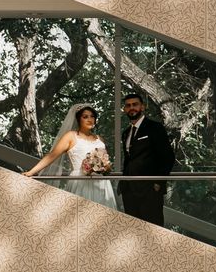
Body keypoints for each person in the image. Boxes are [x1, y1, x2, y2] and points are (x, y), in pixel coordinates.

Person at [22, 103, 117, 211]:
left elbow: (107, 165)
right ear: (78, 120)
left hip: (102, 184)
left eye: (92, 116)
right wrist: (31, 172)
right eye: (85, 117)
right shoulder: (70, 136)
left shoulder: (99, 139)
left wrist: (106, 167)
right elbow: (51, 156)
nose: (90, 119)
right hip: (80, 181)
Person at [119, 91, 175, 226]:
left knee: (153, 231)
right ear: (125, 109)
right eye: (128, 105)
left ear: (142, 107)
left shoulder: (155, 128)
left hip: (149, 190)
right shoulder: (126, 132)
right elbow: (129, 160)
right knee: (133, 232)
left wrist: (158, 183)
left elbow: (168, 157)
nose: (131, 108)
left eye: (135, 104)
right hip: (129, 190)